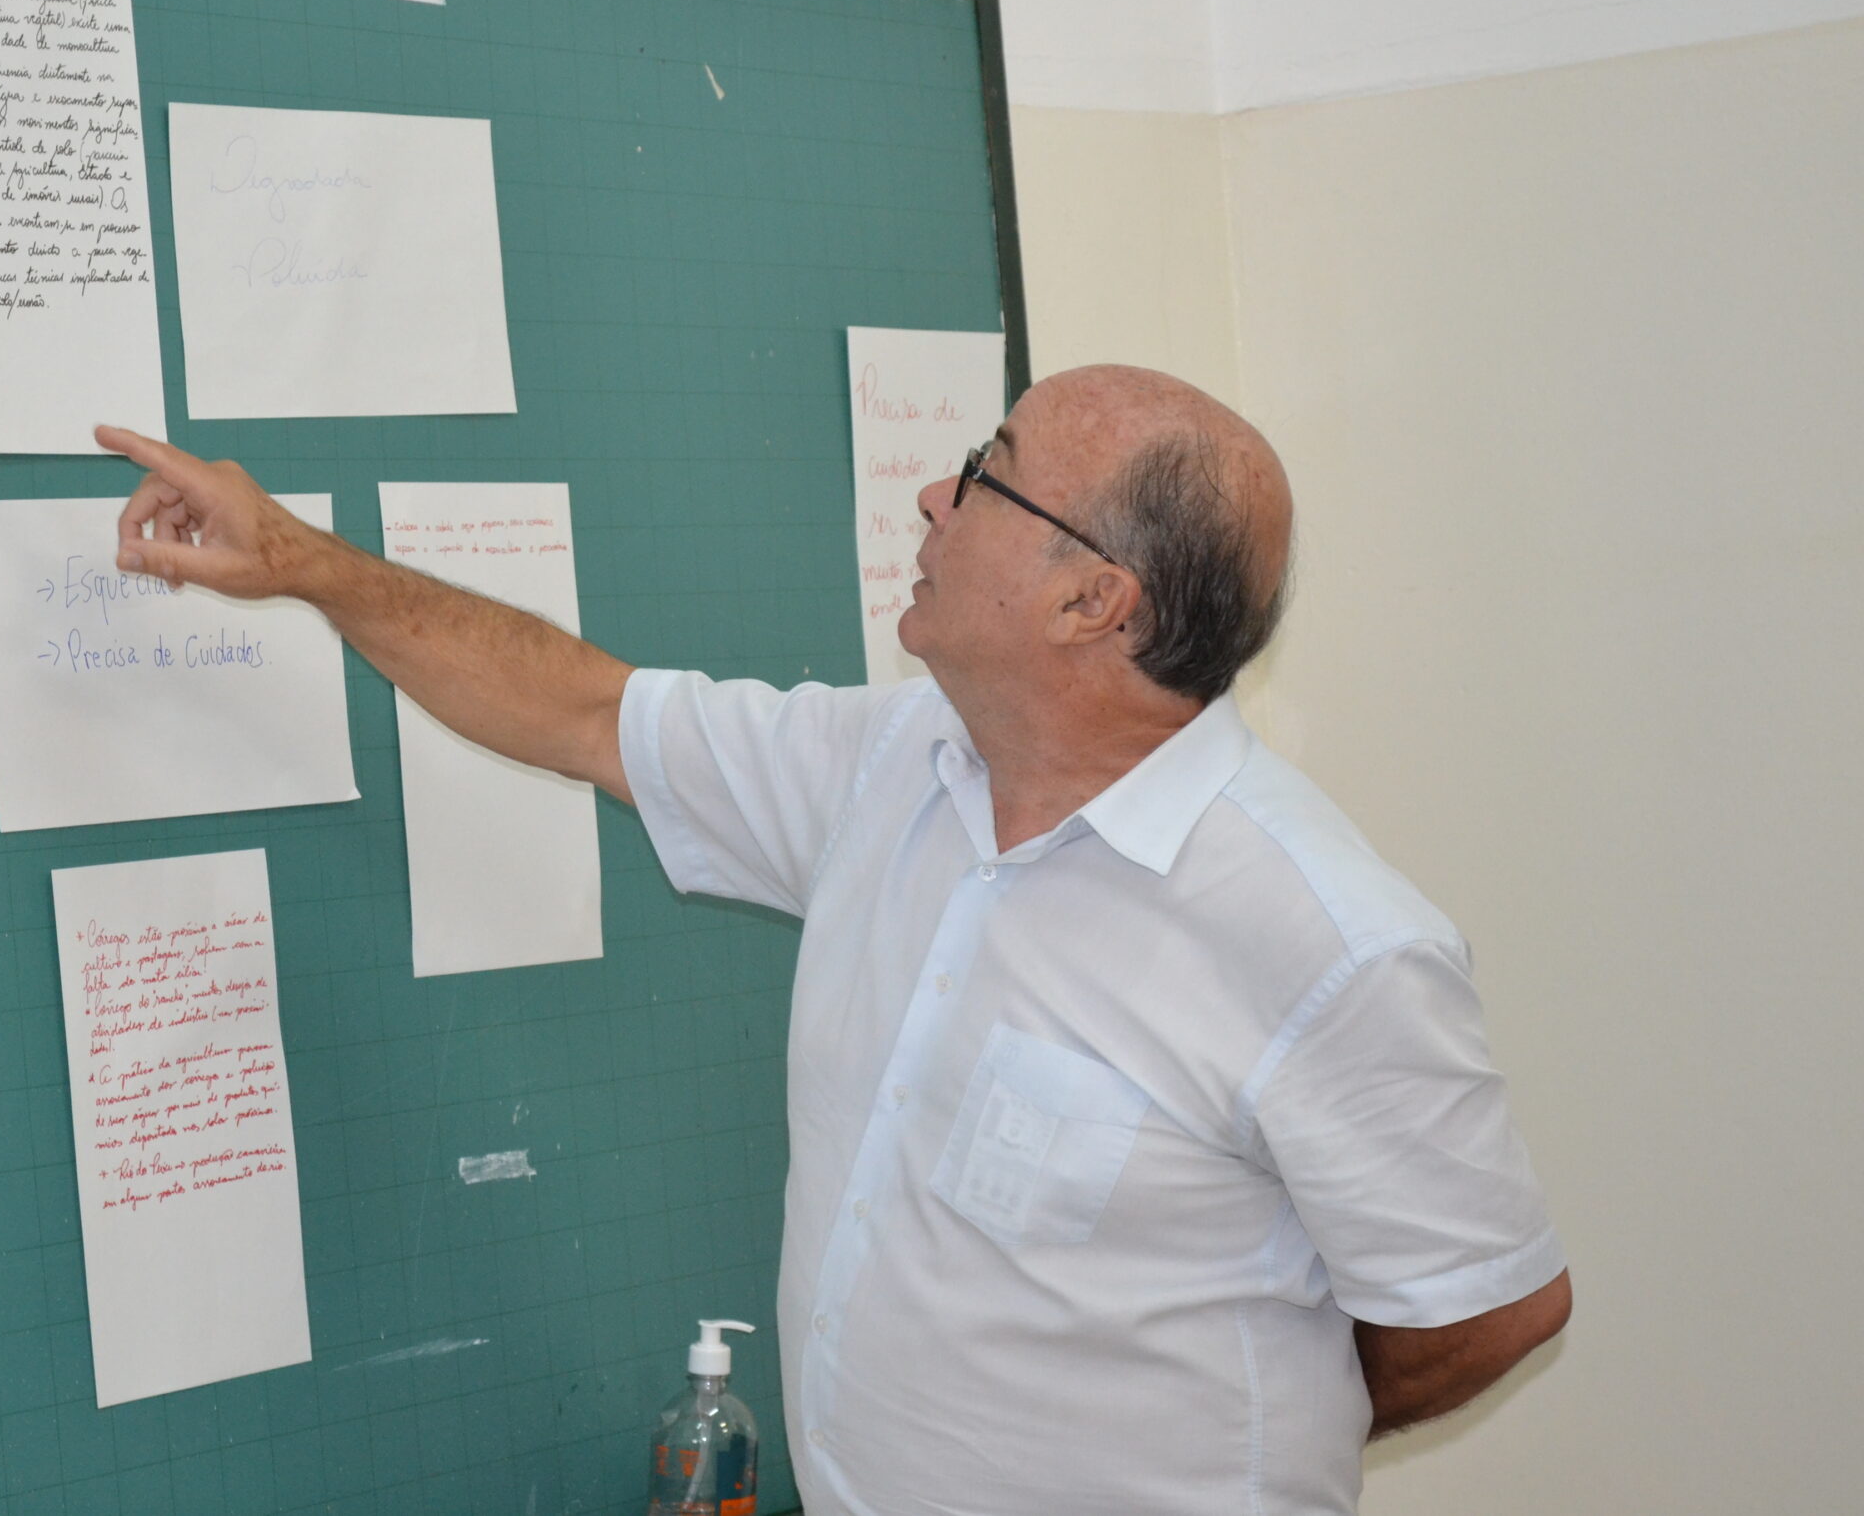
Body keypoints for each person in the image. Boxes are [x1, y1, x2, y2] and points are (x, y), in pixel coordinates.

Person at [90, 362, 1570, 1516]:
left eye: (986, 476)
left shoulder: (1327, 943)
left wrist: (1220, 1440)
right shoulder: (892, 769)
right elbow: (583, 711)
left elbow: (1486, 1313)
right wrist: (303, 560)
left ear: (1091, 600)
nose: (932, 496)